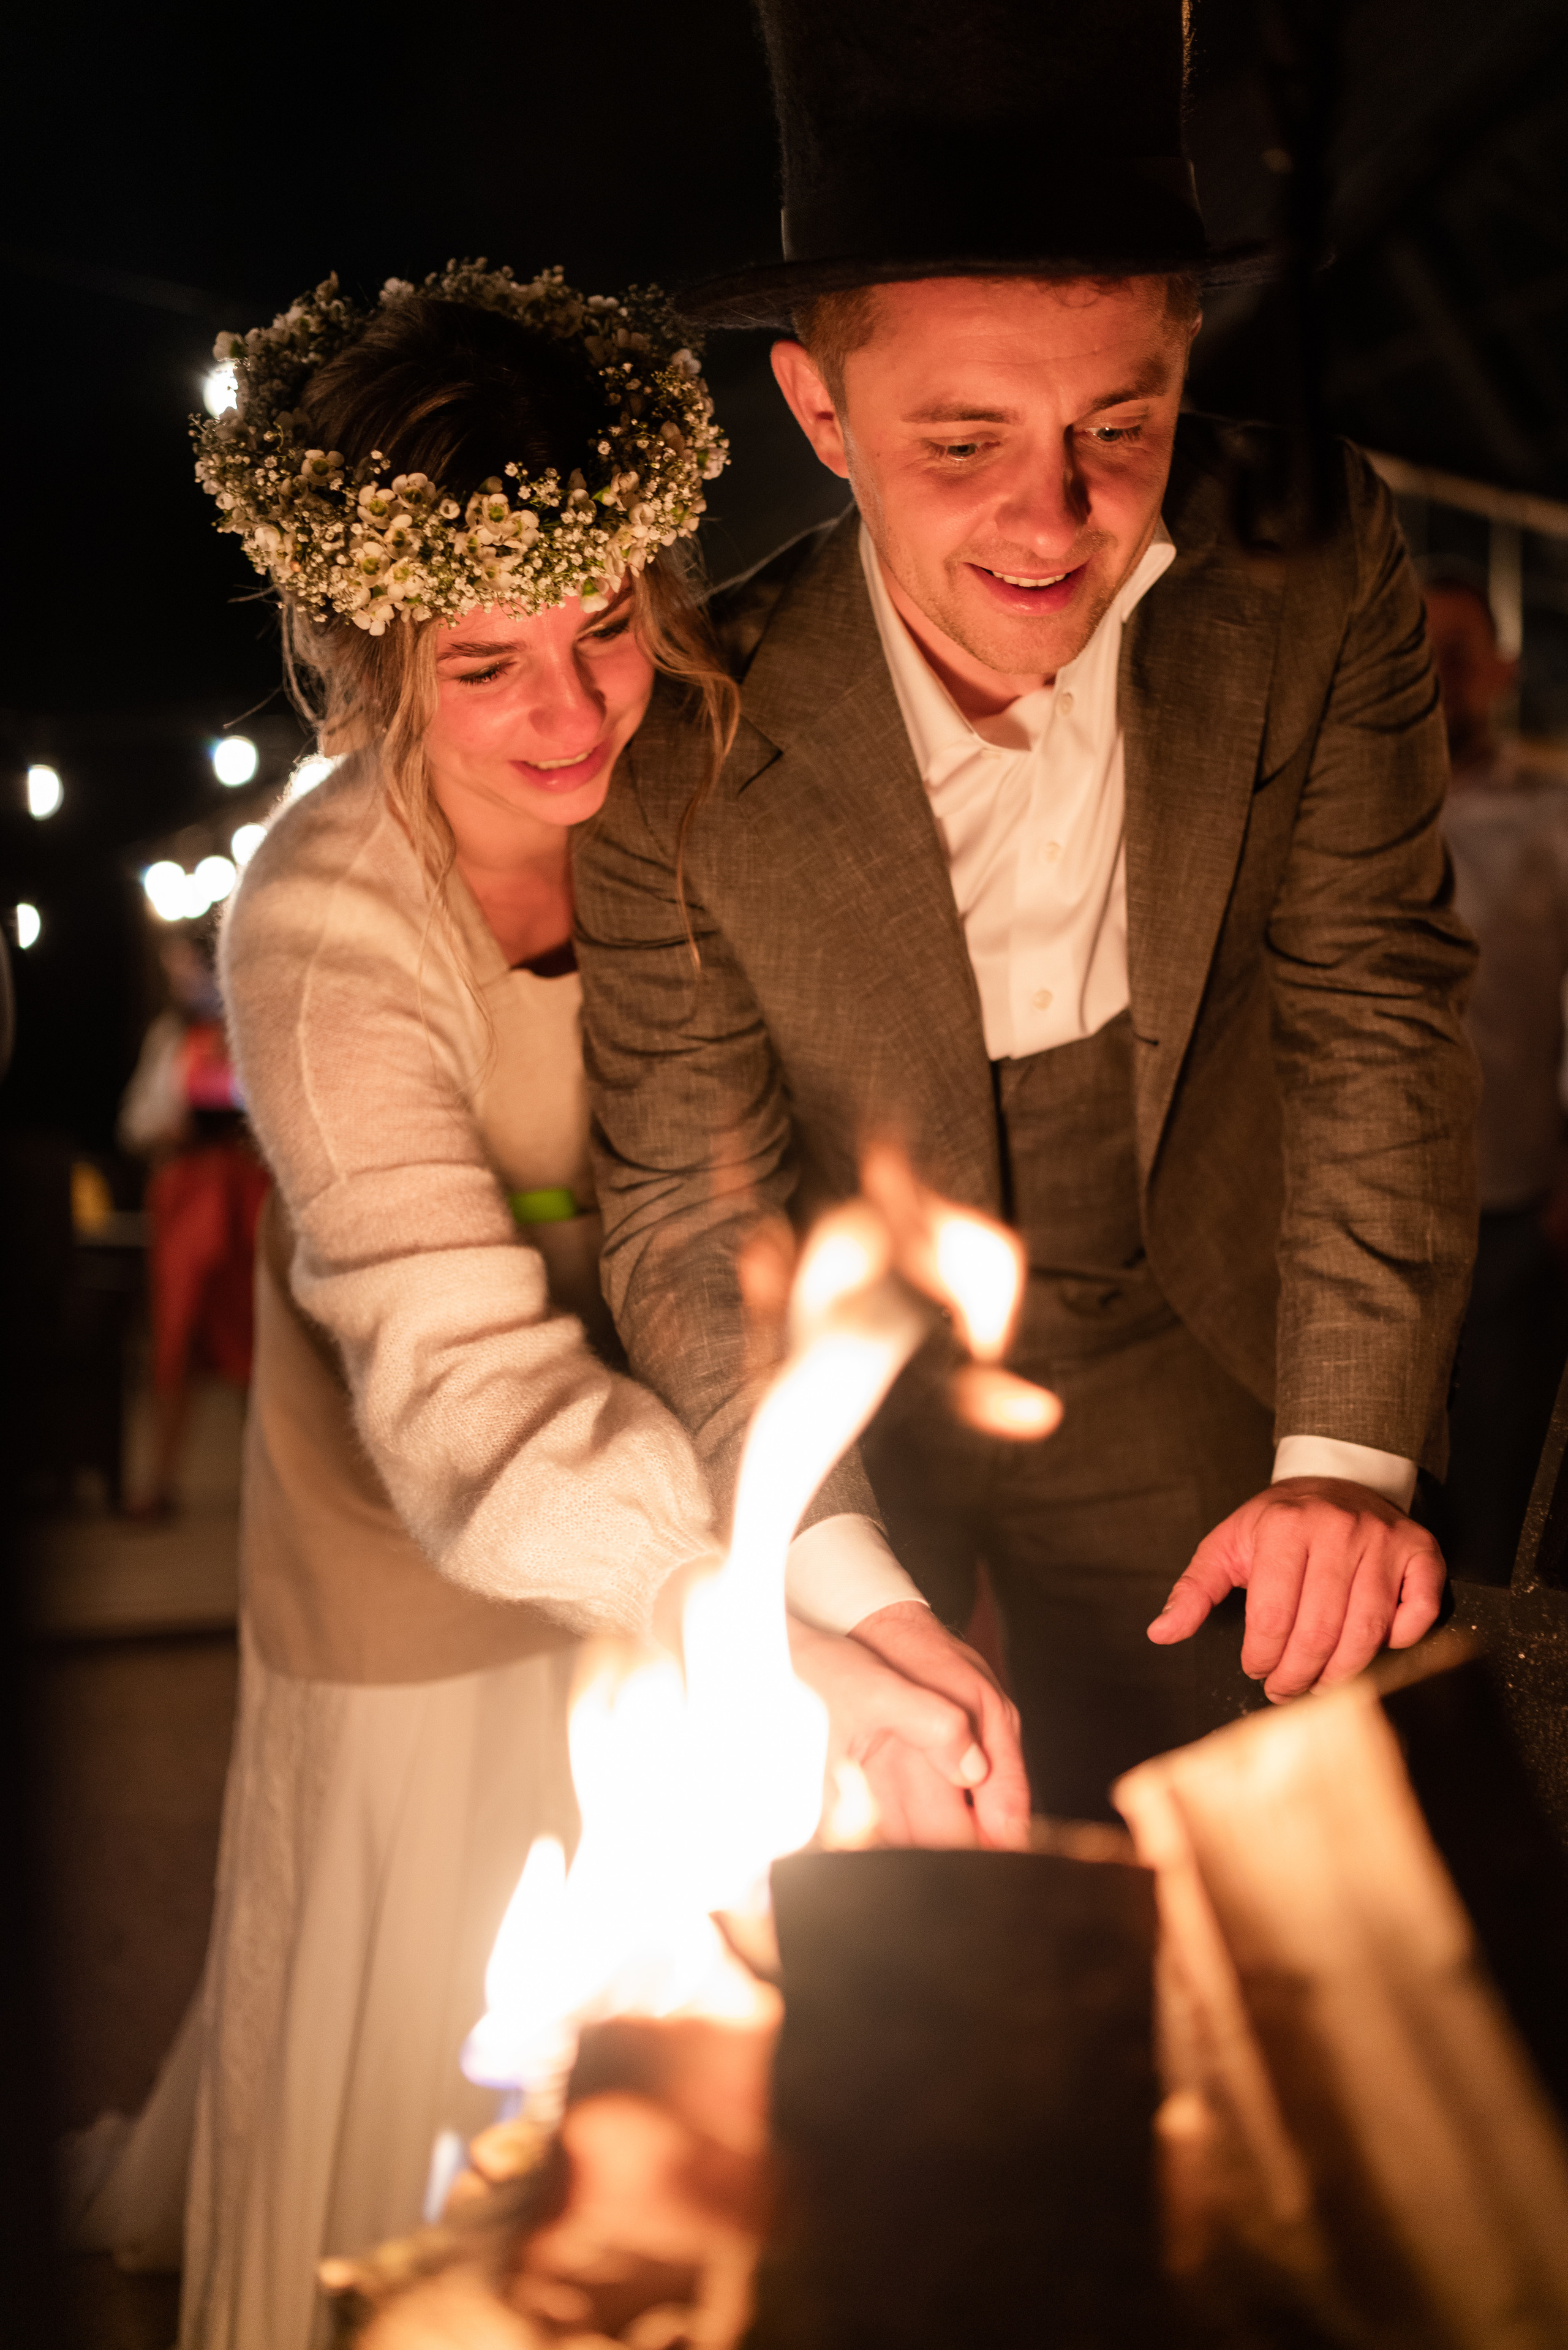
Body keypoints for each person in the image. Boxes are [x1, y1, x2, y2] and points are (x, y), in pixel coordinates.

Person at [69, 263, 1026, 2350]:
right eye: (488, 661)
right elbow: (469, 1401)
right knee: (448, 2063)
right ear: (366, 656)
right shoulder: (328, 916)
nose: (579, 711)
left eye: (611, 624)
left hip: (722, 1460)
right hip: (428, 1524)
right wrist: (779, 1628)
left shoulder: (707, 782)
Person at [573, 0, 1479, 1823]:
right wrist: (830, 1595)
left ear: (1186, 351)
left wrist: (1345, 1464)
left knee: (1302, 1923)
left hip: (1206, 1366)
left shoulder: (1309, 566)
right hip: (849, 1400)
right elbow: (689, 1214)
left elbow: (1372, 1009)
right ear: (818, 409)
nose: (1052, 519)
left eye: (1114, 425)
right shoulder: (680, 747)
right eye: (962, 440)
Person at [1423, 562, 1568, 1580]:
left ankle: (1463, 1711)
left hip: (1507, 1205)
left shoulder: (1554, 818)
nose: (1432, 675)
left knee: (1491, 1481)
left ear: (1499, 671)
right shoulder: (1319, 800)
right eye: (1413, 650)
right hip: (1319, 1205)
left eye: (1456, 654)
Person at [117, 934, 270, 1518]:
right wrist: (172, 1125)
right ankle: (160, 1479)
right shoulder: (171, 1039)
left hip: (247, 1196)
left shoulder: (254, 1026)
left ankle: (268, 1486)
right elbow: (138, 1122)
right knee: (176, 1336)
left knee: (257, 1339)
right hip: (188, 1202)